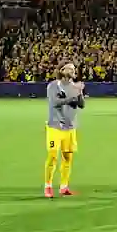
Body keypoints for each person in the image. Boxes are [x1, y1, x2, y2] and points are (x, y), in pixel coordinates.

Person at [45, 61, 85, 198]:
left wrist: (79, 92)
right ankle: (48, 185)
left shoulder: (75, 86)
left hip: (70, 127)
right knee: (52, 156)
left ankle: (64, 186)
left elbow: (82, 105)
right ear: (62, 70)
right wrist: (72, 96)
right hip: (55, 127)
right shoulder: (53, 86)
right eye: (71, 68)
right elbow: (55, 102)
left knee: (67, 157)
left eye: (74, 68)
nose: (74, 70)